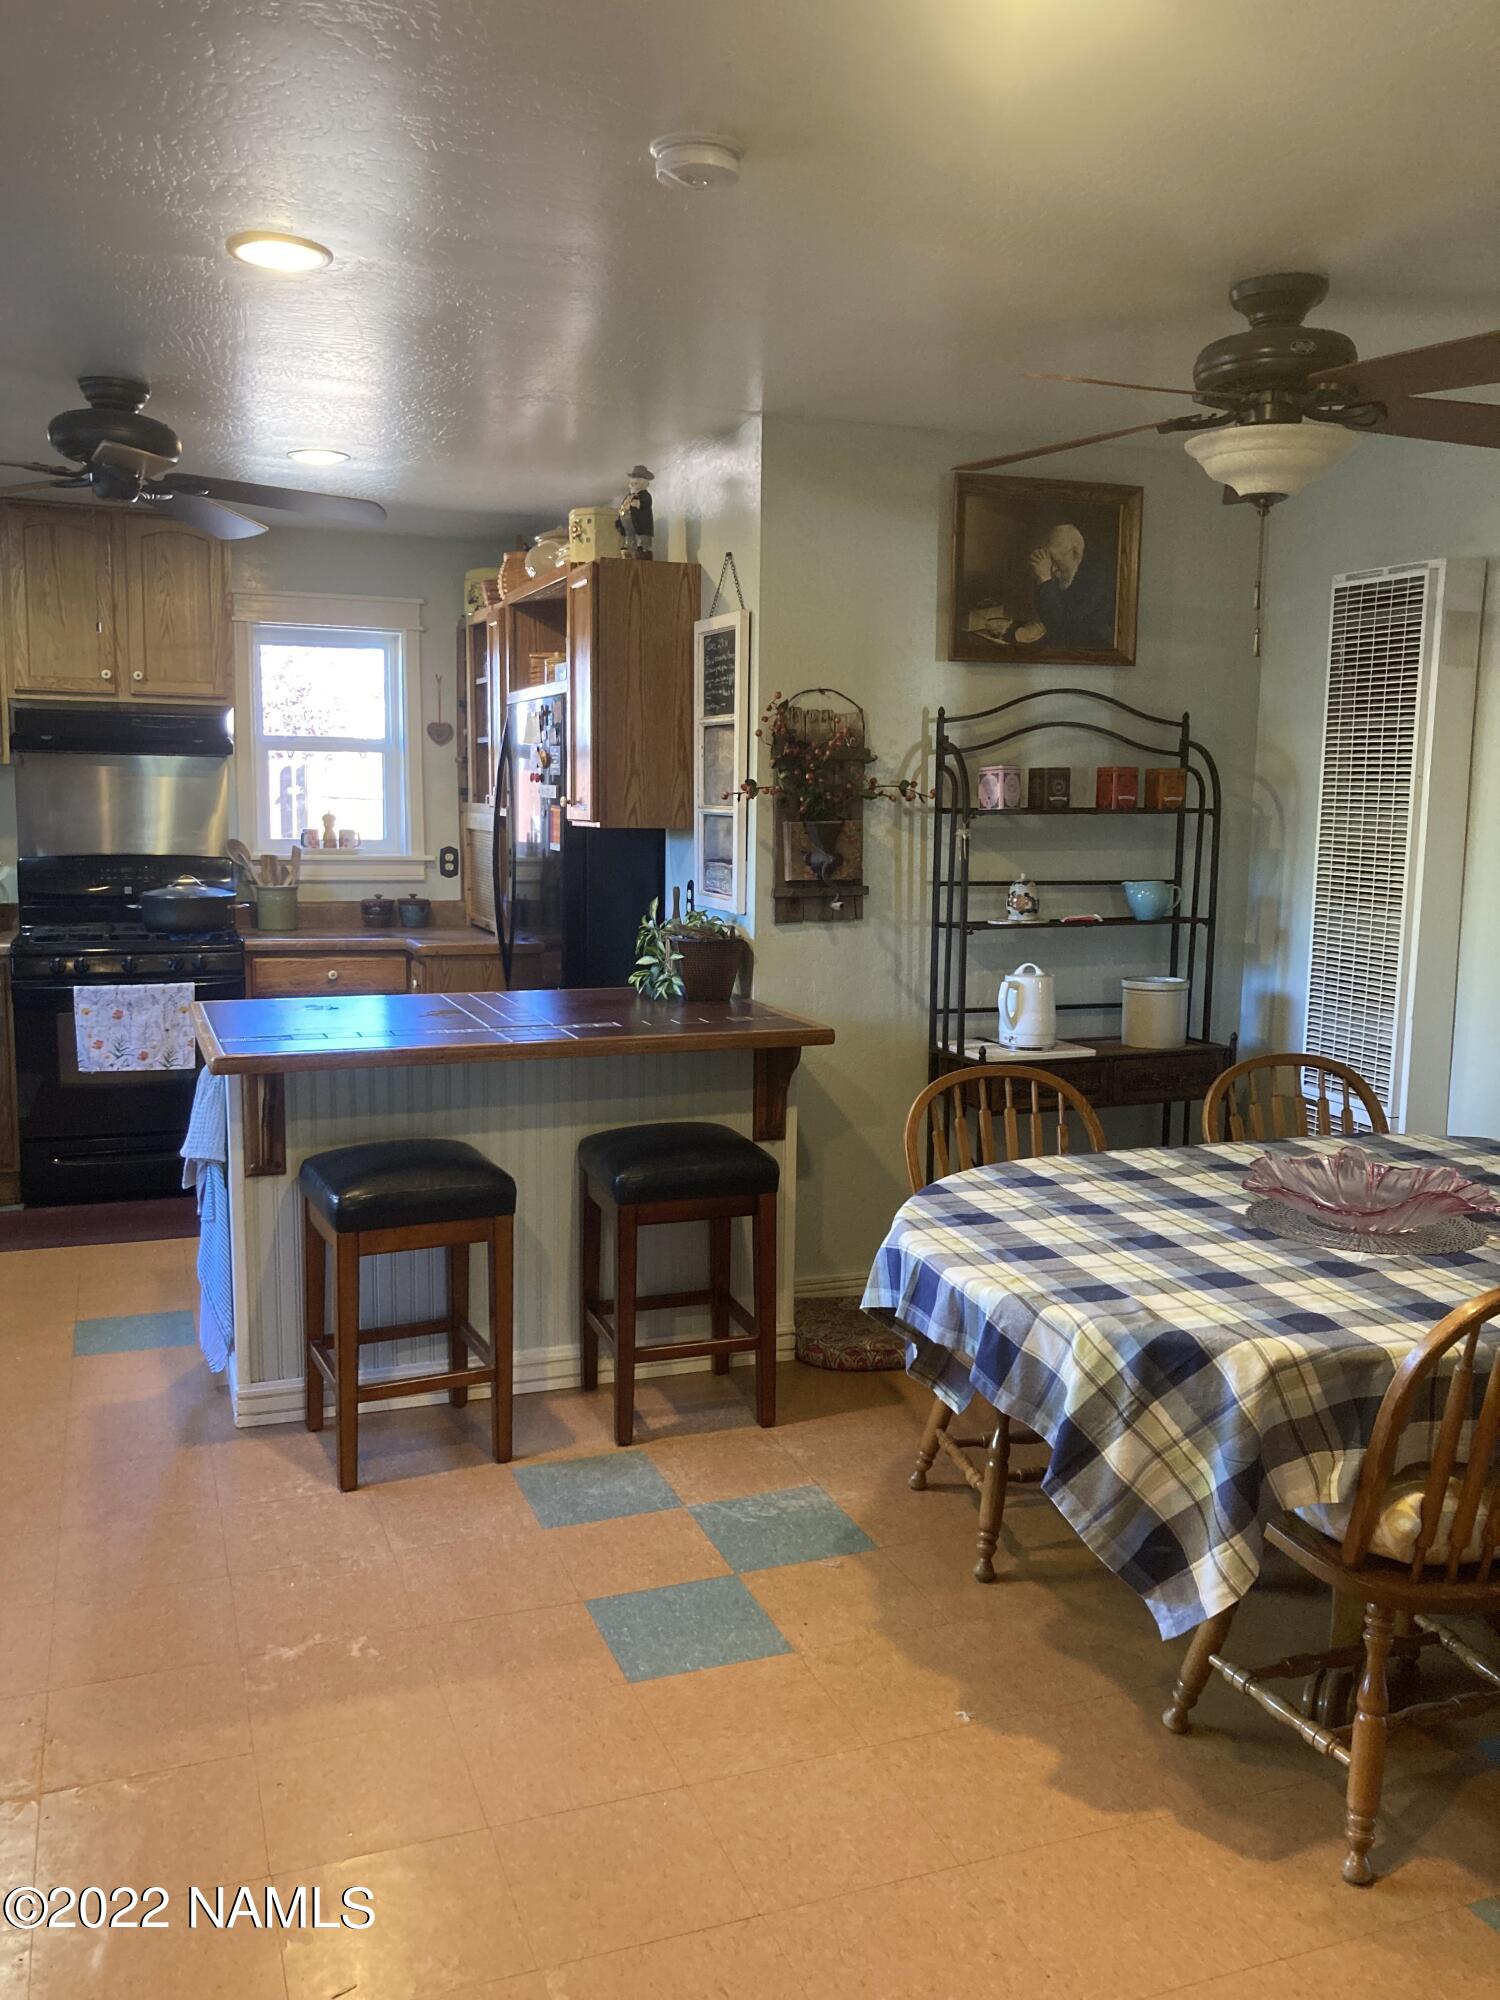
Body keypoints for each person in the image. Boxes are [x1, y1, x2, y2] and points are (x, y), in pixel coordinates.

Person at [1014, 522, 1114, 650]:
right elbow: (1047, 615)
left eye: (1056, 561)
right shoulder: (1065, 570)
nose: (1053, 568)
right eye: (1050, 561)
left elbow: (1062, 625)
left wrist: (1045, 579)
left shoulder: (1096, 577)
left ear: (1075, 552)